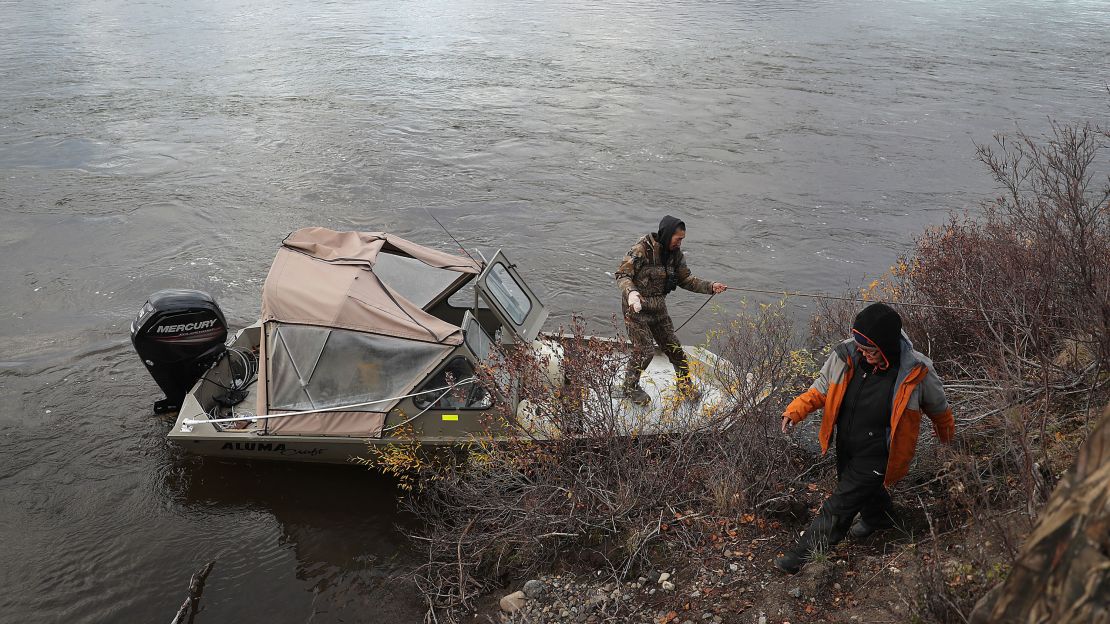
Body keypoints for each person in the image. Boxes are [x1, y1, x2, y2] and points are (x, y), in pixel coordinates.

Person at [775, 302, 955, 574]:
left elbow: (940, 411)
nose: (863, 354)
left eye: (870, 350)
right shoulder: (846, 354)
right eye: (861, 348)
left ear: (885, 346)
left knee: (840, 505)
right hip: (847, 444)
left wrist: (948, 445)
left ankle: (803, 555)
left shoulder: (916, 371)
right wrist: (795, 410)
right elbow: (821, 390)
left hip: (879, 452)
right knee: (857, 488)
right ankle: (879, 518)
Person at [615, 215, 728, 406]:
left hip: (658, 309)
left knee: (675, 349)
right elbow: (622, 275)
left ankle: (684, 386)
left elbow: (686, 280)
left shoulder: (676, 255)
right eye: (678, 239)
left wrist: (710, 286)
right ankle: (630, 387)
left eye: (682, 239)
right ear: (667, 235)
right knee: (645, 352)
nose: (680, 243)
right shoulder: (641, 250)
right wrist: (632, 293)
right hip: (636, 308)